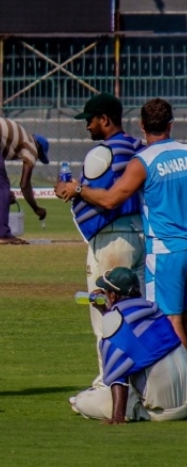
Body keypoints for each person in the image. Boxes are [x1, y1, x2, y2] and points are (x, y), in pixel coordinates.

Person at [57, 98, 187, 347]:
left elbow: (110, 199)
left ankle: (179, 373)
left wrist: (78, 188)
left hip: (166, 251)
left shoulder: (144, 160)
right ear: (171, 124)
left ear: (142, 125)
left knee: (171, 320)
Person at [54, 93, 145, 385]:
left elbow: (105, 199)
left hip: (111, 240)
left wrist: (75, 189)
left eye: (90, 120)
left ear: (104, 119)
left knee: (105, 312)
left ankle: (110, 384)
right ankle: (138, 384)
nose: (87, 126)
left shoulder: (102, 153)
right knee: (136, 314)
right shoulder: (137, 147)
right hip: (139, 235)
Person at [70, 267, 187, 423]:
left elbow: (118, 375)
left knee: (82, 401)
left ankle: (133, 412)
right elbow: (132, 337)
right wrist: (106, 312)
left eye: (106, 292)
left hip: (164, 411)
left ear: (113, 296)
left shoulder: (114, 322)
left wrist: (117, 416)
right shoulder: (154, 310)